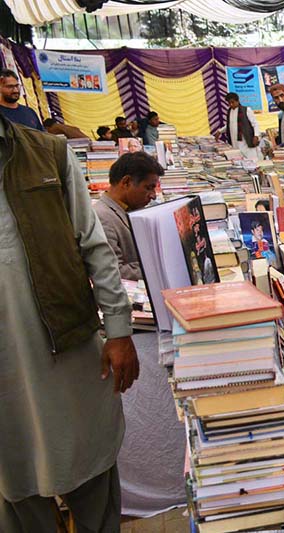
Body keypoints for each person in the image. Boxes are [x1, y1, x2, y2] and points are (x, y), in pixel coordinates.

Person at [0, 113, 139, 531]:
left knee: (90, 470)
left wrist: (119, 331)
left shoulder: (47, 154)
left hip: (66, 352)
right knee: (17, 483)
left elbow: (94, 246)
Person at [94, 152, 164, 281]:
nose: (153, 195)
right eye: (149, 188)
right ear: (126, 182)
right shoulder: (102, 217)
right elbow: (116, 272)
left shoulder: (133, 209)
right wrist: (160, 266)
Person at [220, 92, 261, 161]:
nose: (231, 104)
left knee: (251, 160)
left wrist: (256, 136)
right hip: (234, 141)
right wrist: (220, 131)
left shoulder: (247, 110)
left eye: (232, 102)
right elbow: (229, 125)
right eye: (229, 103)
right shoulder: (229, 111)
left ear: (238, 101)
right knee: (238, 160)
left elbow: (255, 124)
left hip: (246, 140)